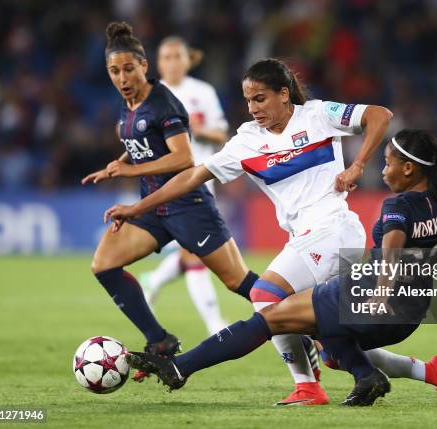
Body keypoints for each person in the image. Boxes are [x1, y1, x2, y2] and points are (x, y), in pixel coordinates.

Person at [116, 106, 437, 406]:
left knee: (270, 314)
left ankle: (180, 367)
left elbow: (392, 251)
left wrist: (379, 290)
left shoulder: (398, 207)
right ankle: (375, 375)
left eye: (390, 161)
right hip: (410, 312)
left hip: (373, 300)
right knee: (329, 346)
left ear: (410, 171)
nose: (384, 166)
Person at [102, 57, 394, 405]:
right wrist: (139, 207)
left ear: (284, 94)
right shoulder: (246, 141)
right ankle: (385, 374)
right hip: (305, 236)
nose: (253, 108)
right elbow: (193, 176)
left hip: (335, 229)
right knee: (323, 335)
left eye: (260, 98)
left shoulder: (318, 115)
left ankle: (306, 386)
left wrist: (358, 164)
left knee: (265, 295)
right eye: (248, 100)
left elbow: (379, 115)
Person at [81, 22, 259, 379]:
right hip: (154, 208)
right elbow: (143, 143)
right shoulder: (128, 104)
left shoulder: (163, 102)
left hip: (188, 206)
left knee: (238, 282)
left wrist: (130, 173)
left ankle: (307, 318)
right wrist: (121, 162)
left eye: (129, 69)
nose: (122, 77)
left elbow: (182, 158)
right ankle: (159, 341)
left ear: (144, 66)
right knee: (104, 264)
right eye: (114, 71)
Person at [138, 36, 230, 335]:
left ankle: (153, 281)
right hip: (167, 183)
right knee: (197, 251)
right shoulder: (151, 94)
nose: (173, 62)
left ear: (187, 60)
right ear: (158, 62)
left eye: (178, 56)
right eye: (166, 57)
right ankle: (213, 322)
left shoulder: (202, 92)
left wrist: (197, 131)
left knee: (196, 249)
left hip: (200, 177)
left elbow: (221, 135)